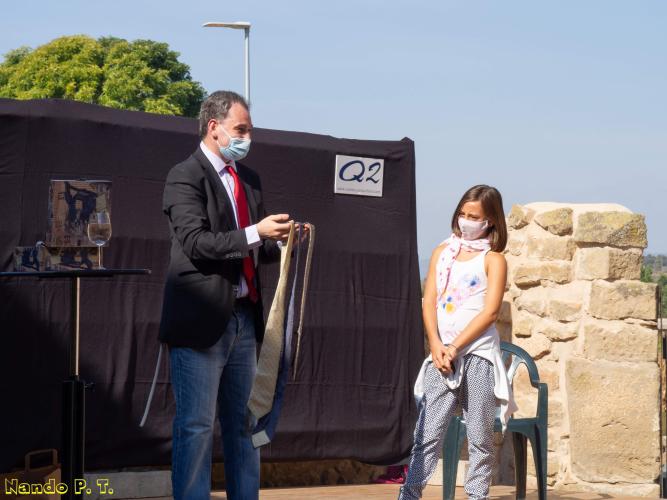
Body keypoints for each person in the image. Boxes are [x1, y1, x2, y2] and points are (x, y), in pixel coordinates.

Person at [159, 90, 292, 500]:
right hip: (200, 320)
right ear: (214, 127)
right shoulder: (184, 175)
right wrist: (256, 233)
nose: (248, 138)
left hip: (244, 319)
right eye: (241, 129)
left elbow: (255, 250)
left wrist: (282, 241)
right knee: (196, 427)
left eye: (249, 130)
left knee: (245, 426)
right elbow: (197, 244)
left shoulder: (248, 179)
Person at [399, 185, 516, 500]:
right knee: (427, 433)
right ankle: (409, 494)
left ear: (490, 220)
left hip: (477, 356)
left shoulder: (493, 260)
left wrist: (456, 346)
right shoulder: (443, 252)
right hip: (442, 358)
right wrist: (436, 344)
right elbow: (429, 302)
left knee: (479, 436)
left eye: (474, 216)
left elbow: (490, 312)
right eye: (463, 214)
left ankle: (477, 495)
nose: (466, 221)